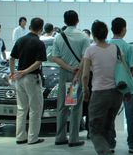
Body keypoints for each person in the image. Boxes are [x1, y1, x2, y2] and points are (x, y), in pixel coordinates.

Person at [82, 20, 122, 155]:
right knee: (109, 124)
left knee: (94, 129)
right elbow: (121, 67)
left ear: (93, 34)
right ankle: (109, 150)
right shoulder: (115, 48)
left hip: (99, 93)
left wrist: (86, 90)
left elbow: (85, 75)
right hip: (116, 93)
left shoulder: (90, 51)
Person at [52, 10, 90, 147]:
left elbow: (55, 57)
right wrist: (76, 71)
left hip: (64, 74)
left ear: (64, 21)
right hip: (76, 76)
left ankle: (60, 137)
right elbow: (86, 58)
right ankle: (73, 138)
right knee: (75, 106)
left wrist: (68, 67)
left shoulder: (58, 37)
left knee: (63, 106)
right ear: (77, 20)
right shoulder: (83, 37)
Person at [108, 17, 133, 154]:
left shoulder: (106, 46)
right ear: (124, 29)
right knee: (131, 116)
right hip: (128, 87)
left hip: (110, 85)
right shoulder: (129, 47)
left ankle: (110, 144)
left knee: (110, 116)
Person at [9, 17, 47, 145]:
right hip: (32, 78)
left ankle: (20, 137)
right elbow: (38, 62)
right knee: (35, 109)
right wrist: (26, 71)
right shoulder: (39, 43)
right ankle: (32, 138)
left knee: (21, 108)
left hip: (19, 78)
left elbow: (12, 58)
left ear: (30, 27)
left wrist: (13, 73)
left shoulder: (20, 40)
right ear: (41, 29)